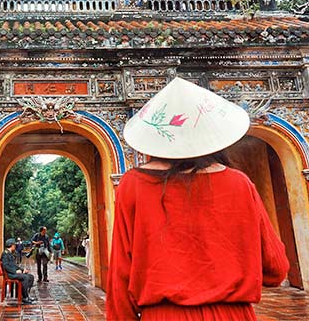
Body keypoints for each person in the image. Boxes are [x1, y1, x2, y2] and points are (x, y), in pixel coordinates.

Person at [107, 77, 289, 321]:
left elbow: (120, 275)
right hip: (233, 315)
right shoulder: (239, 183)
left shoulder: (133, 185)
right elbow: (276, 269)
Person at [0, 238, 35, 304]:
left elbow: (14, 265)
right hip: (10, 274)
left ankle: (26, 295)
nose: (15, 247)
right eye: (14, 245)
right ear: (12, 245)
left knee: (31, 277)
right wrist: (15, 271)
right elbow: (5, 266)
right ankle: (25, 298)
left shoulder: (10, 253)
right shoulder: (5, 254)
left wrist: (22, 270)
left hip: (12, 273)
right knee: (25, 277)